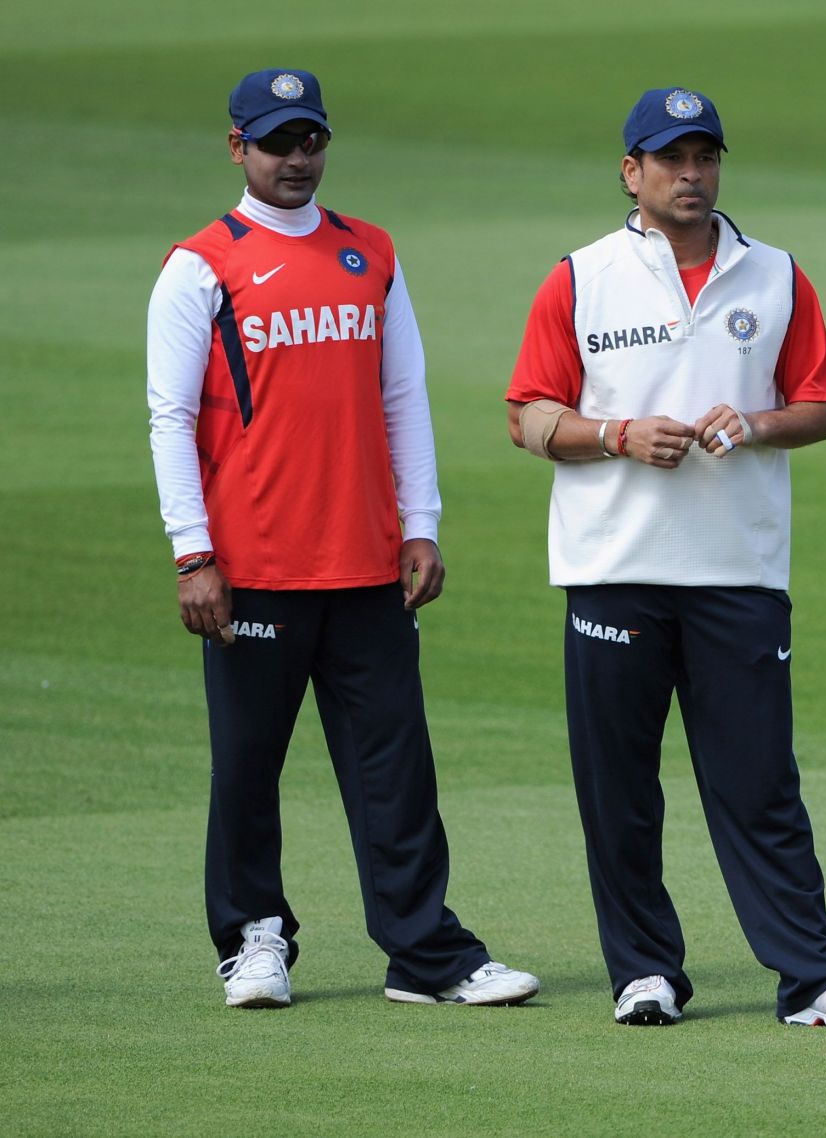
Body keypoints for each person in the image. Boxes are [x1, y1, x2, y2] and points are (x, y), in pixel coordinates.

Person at [503, 86, 826, 1031]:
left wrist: (754, 424)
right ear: (631, 172)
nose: (691, 174)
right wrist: (617, 434)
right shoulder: (580, 276)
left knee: (760, 785)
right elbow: (529, 416)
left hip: (739, 573)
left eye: (706, 157)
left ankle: (813, 978)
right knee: (621, 791)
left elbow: (824, 406)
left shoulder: (776, 275)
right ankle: (644, 973)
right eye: (670, 159)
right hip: (614, 567)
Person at [146, 68, 539, 1010]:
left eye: (311, 140)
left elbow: (402, 397)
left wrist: (424, 525)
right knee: (248, 765)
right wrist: (193, 553)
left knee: (395, 767)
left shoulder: (373, 253)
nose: (297, 159)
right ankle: (253, 941)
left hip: (367, 566)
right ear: (237, 147)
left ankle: (425, 955)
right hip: (255, 570)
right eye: (278, 143)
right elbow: (168, 418)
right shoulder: (202, 265)